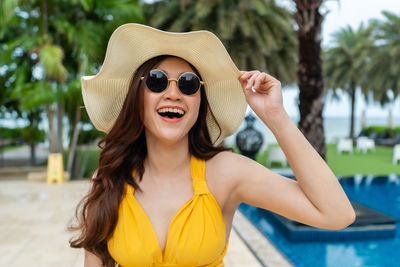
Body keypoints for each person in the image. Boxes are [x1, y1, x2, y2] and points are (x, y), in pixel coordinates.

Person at [69, 23, 355, 267]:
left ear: (199, 102)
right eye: (156, 81)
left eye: (188, 84)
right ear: (136, 96)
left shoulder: (226, 173)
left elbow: (337, 214)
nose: (173, 93)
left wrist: (276, 117)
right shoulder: (110, 179)